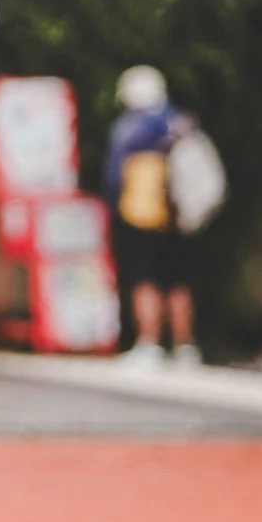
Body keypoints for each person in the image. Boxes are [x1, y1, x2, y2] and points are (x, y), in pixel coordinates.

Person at [101, 65, 221, 368]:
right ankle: (184, 347)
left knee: (145, 280)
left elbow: (115, 178)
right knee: (177, 281)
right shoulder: (182, 123)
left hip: (142, 215)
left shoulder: (129, 129)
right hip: (177, 216)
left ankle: (149, 343)